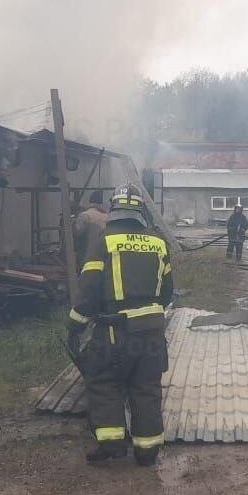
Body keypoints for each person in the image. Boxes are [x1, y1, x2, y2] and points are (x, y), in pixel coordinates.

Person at [67, 184, 173, 466]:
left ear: (113, 209)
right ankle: (147, 450)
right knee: (147, 387)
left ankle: (112, 444)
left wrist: (76, 324)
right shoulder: (158, 243)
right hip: (152, 331)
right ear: (141, 210)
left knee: (105, 382)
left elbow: (89, 289)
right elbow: (167, 293)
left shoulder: (105, 241)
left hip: (115, 331)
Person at [73, 191, 108, 269]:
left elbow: (77, 233)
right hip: (103, 258)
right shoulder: (107, 217)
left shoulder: (85, 215)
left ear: (90, 202)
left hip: (87, 258)